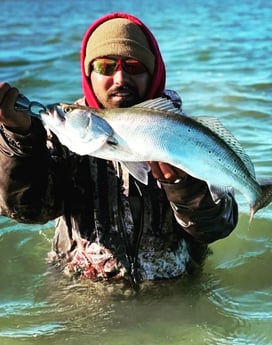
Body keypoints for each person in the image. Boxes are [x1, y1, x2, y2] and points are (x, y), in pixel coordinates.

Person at [0, 12, 238, 290]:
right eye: (105, 66)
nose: (120, 77)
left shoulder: (186, 135)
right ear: (89, 74)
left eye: (134, 66)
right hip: (83, 295)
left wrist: (183, 186)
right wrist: (20, 139)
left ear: (154, 72)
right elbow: (27, 210)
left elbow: (217, 227)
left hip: (174, 295)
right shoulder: (63, 136)